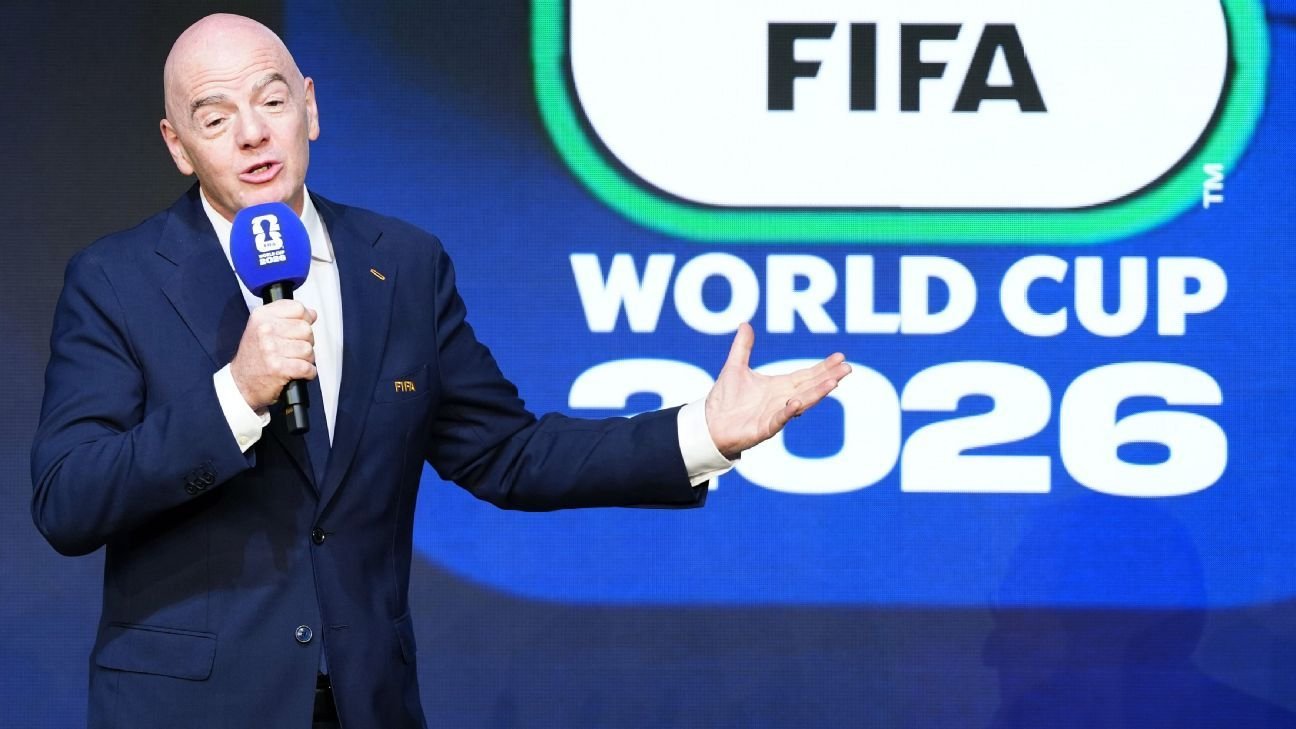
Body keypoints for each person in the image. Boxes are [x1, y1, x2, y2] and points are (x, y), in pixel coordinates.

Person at [30, 14, 851, 729]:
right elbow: (68, 497)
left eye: (271, 101)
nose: (251, 133)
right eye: (215, 117)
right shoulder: (117, 280)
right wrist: (235, 396)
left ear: (310, 106)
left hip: (364, 701)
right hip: (188, 707)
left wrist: (702, 432)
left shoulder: (403, 266)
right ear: (178, 145)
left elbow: (508, 453)